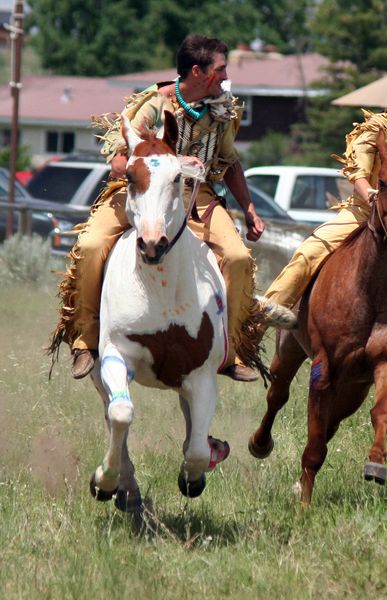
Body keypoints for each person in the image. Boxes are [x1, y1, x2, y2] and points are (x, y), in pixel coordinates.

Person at [49, 34, 265, 383]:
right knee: (89, 246)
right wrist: (174, 162)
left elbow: (231, 162)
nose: (226, 77)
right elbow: (121, 161)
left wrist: (251, 209)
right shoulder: (153, 105)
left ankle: (232, 351)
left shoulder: (223, 110)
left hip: (200, 196)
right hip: (140, 191)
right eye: (221, 69)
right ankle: (85, 340)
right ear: (198, 72)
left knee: (238, 258)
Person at [256, 61, 387, 411]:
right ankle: (256, 327)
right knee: (308, 254)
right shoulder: (375, 127)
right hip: (362, 212)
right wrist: (372, 197)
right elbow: (358, 174)